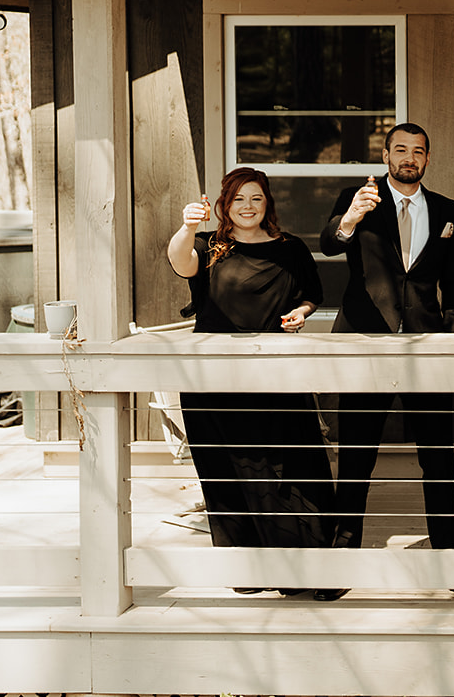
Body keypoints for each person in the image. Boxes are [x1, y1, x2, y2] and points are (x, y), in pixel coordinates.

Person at [320, 122, 454, 598]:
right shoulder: (358, 197)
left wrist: (453, 336)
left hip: (426, 349)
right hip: (367, 344)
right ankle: (341, 562)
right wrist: (349, 219)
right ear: (385, 154)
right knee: (357, 457)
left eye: (418, 151)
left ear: (427, 159)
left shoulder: (448, 210)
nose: (409, 157)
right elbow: (329, 243)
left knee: (438, 458)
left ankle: (451, 562)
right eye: (400, 149)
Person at [166, 166, 333, 596]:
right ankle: (246, 567)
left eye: (256, 198)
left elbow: (311, 294)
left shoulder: (291, 248)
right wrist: (187, 227)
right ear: (225, 204)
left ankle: (299, 567)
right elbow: (179, 260)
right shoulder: (209, 246)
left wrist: (303, 313)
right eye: (239, 198)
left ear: (267, 204)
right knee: (228, 472)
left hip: (274, 375)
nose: (247, 206)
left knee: (287, 469)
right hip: (214, 381)